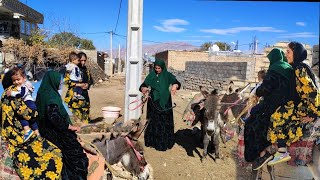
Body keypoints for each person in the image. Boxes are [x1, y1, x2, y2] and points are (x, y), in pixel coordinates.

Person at [1, 69, 63, 180]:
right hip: (18, 136)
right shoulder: (13, 93)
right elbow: (26, 114)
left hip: (9, 132)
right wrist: (36, 112)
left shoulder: (5, 94)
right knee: (54, 153)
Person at [266, 42, 320, 166]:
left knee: (277, 116)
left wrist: (315, 112)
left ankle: (282, 151)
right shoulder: (297, 67)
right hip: (301, 104)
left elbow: (312, 91)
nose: (286, 55)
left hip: (306, 106)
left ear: (296, 53)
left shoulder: (300, 69)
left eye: (289, 52)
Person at [244, 48, 293, 170]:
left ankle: (256, 154)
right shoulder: (288, 68)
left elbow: (265, 89)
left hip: (272, 104)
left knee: (251, 122)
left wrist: (258, 93)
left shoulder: (274, 70)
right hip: (285, 105)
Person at [36, 71, 89, 179]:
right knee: (76, 154)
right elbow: (54, 118)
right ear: (53, 81)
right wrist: (70, 127)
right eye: (59, 80)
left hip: (45, 127)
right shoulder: (51, 97)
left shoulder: (43, 92)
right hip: (52, 130)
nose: (61, 82)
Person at [140, 59, 181, 151]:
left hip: (165, 102)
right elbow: (143, 85)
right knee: (153, 121)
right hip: (153, 102)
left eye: (159, 68)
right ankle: (152, 142)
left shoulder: (168, 75)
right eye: (156, 68)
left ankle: (163, 143)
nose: (157, 70)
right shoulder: (151, 75)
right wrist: (143, 88)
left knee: (164, 122)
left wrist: (175, 86)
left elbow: (177, 83)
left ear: (162, 67)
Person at [6, 67, 39, 142]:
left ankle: (27, 131)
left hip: (28, 103)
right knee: (32, 120)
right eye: (14, 80)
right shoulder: (23, 85)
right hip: (31, 103)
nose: (16, 82)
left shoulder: (24, 86)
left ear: (24, 78)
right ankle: (37, 133)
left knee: (22, 116)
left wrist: (12, 93)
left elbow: (21, 95)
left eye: (18, 79)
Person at [78, 51, 94, 123]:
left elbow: (90, 80)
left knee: (86, 108)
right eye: (81, 60)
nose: (83, 62)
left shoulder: (86, 70)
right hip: (76, 93)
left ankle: (86, 123)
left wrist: (88, 84)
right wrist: (79, 85)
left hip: (85, 92)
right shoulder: (74, 69)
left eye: (85, 60)